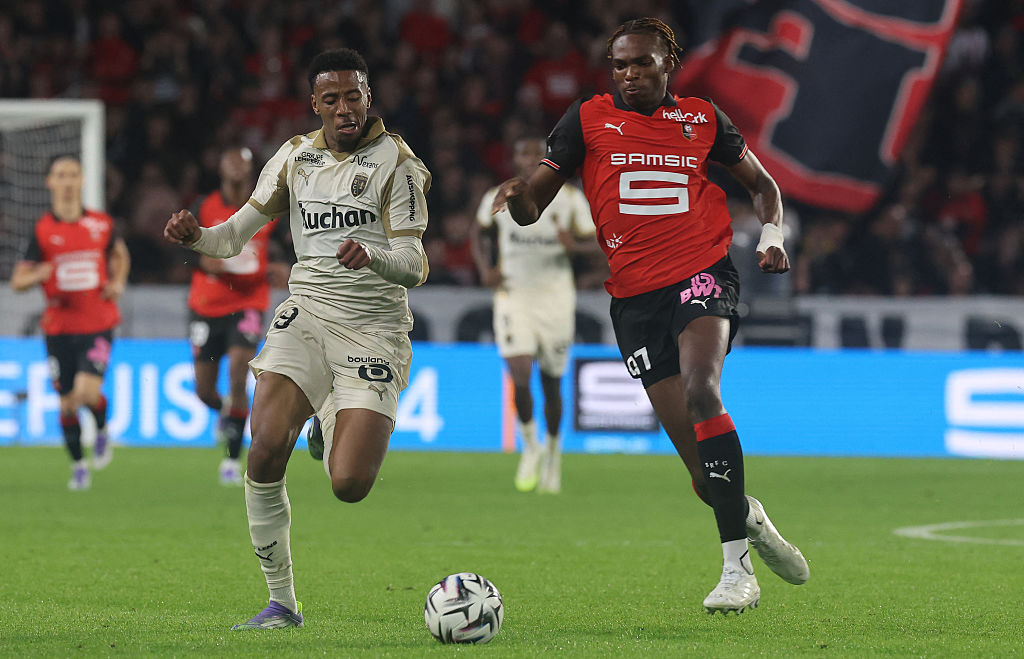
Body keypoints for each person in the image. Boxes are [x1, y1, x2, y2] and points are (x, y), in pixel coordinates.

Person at [492, 18, 809, 615]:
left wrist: (773, 234)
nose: (629, 74)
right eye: (619, 65)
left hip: (702, 269)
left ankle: (736, 569)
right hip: (634, 299)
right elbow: (537, 197)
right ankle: (751, 518)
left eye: (641, 63)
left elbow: (763, 185)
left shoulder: (703, 118)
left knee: (701, 388)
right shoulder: (586, 119)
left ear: (670, 64)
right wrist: (523, 200)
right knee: (699, 470)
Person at [163, 48, 430, 630]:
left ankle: (327, 411)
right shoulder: (294, 158)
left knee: (349, 485)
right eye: (330, 99)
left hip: (374, 330)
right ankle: (282, 602)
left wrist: (375, 257)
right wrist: (195, 237)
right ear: (315, 105)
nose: (343, 109)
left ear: (368, 97)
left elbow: (415, 264)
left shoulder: (397, 165)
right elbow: (233, 238)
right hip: (305, 313)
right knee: (262, 450)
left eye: (353, 96)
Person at [471, 136, 595, 494]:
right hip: (514, 297)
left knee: (551, 384)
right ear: (514, 159)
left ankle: (554, 453)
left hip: (556, 301)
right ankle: (530, 446)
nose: (528, 160)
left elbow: (599, 243)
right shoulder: (499, 196)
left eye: (535, 155)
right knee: (520, 377)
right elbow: (479, 232)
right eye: (522, 154)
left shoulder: (570, 199)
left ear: (546, 159)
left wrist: (575, 246)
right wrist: (486, 269)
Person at [9, 155, 130, 490]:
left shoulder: (101, 224)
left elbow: (119, 254)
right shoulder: (42, 230)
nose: (66, 181)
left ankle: (102, 429)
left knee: (85, 393)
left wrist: (117, 281)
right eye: (60, 175)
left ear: (81, 181)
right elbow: (17, 281)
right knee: (66, 402)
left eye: (72, 174)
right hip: (59, 328)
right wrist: (37, 274)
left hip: (98, 322)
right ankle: (78, 465)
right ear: (50, 182)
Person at [185, 147, 287, 485]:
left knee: (238, 370)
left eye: (242, 161)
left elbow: (286, 248)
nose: (236, 167)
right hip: (207, 304)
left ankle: (231, 460)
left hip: (247, 302)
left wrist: (284, 267)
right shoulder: (205, 205)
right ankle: (229, 415)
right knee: (204, 391)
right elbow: (187, 245)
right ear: (219, 167)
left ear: (252, 168)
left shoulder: (268, 205)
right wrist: (202, 259)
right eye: (229, 160)